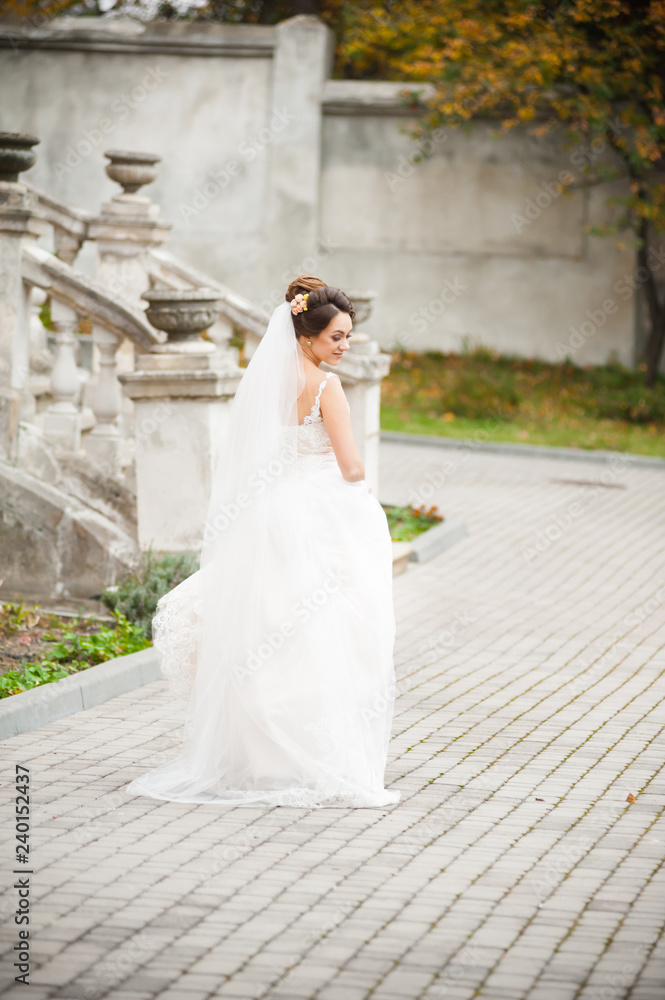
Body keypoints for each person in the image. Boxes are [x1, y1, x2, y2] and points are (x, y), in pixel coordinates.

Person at [125, 276, 401, 808]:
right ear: (307, 336)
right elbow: (351, 466)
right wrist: (360, 489)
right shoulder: (326, 387)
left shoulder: (269, 383)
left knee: (266, 627)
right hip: (319, 512)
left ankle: (262, 757)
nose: (344, 346)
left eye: (348, 336)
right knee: (320, 632)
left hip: (272, 511)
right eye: (337, 337)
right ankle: (304, 756)